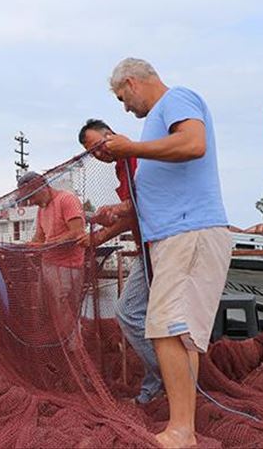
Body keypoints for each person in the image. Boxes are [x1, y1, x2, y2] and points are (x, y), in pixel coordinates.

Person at [104, 58, 232, 448]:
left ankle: (181, 431)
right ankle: (183, 426)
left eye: (124, 98)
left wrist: (132, 147)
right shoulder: (157, 119)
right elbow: (166, 183)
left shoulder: (177, 99)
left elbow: (194, 143)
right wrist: (121, 211)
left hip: (187, 233)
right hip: (176, 236)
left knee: (165, 328)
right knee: (180, 335)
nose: (126, 108)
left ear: (132, 81)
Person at [77, 118, 163, 404]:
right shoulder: (122, 165)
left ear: (110, 135)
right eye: (93, 153)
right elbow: (131, 215)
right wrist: (99, 236)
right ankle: (158, 384)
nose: (98, 154)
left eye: (98, 146)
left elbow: (141, 204)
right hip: (146, 247)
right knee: (142, 315)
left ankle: (166, 378)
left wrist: (109, 214)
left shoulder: (134, 156)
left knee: (129, 312)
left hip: (158, 245)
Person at [17, 171, 86, 345]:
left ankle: (72, 347)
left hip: (68, 267)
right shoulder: (42, 210)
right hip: (48, 265)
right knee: (46, 308)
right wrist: (27, 247)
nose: (31, 202)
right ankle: (57, 344)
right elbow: (39, 237)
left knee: (64, 309)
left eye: (32, 196)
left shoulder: (66, 200)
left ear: (43, 186)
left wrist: (46, 245)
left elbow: (77, 232)